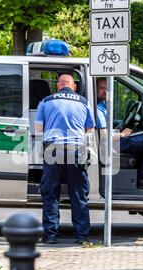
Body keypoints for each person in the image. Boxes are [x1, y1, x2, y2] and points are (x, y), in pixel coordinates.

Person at [35, 74, 95, 244]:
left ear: (58, 86)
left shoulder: (46, 101)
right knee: (78, 193)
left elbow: (38, 129)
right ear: (73, 86)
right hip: (75, 150)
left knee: (50, 193)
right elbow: (89, 130)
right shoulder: (84, 102)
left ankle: (51, 235)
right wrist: (86, 151)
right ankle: (82, 236)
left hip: (52, 150)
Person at [96, 78, 143, 188]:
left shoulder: (102, 105)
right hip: (107, 145)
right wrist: (122, 134)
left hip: (110, 142)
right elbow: (104, 135)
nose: (105, 92)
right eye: (102, 88)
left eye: (108, 89)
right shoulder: (97, 109)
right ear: (95, 89)